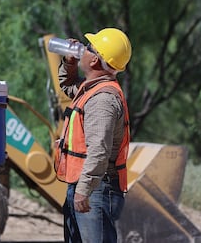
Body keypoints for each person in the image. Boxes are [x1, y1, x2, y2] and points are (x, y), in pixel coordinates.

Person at [54, 27, 132, 243]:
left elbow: (99, 151)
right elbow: (68, 86)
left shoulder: (102, 100)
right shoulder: (92, 89)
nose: (82, 49)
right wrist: (69, 63)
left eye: (88, 48)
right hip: (87, 186)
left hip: (95, 189)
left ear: (95, 61)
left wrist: (84, 190)